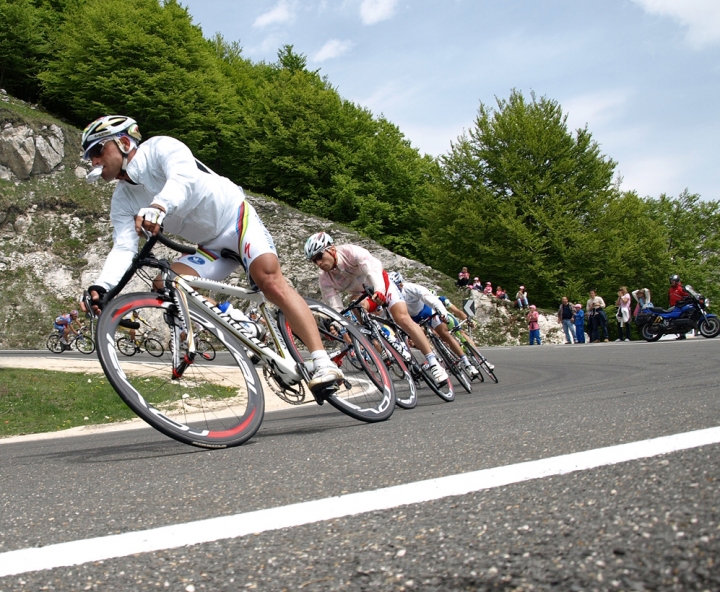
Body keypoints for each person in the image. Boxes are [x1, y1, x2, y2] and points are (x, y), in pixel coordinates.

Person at [80, 114, 343, 398]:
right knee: (167, 283)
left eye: (97, 150)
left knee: (269, 281)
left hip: (237, 219)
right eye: (89, 156)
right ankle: (240, 322)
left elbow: (185, 178)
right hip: (210, 246)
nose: (94, 160)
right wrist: (102, 286)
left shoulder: (160, 148)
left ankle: (323, 363)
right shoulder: (122, 200)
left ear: (123, 142)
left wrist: (158, 205)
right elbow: (123, 247)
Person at [305, 232, 449, 385]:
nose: (318, 263)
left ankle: (434, 363)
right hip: (361, 294)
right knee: (356, 308)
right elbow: (336, 307)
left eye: (319, 256)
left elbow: (371, 272)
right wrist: (337, 323)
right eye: (314, 261)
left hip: (380, 282)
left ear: (331, 249)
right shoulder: (325, 279)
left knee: (402, 319)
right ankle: (380, 338)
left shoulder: (351, 252)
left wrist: (379, 290)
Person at [393, 278, 479, 377]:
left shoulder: (411, 288)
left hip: (426, 310)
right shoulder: (393, 295)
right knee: (415, 339)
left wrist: (442, 312)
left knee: (444, 333)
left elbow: (432, 299)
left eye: (398, 287)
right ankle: (432, 358)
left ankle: (467, 363)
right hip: (411, 317)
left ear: (401, 285)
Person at [668, 274, 690, 339]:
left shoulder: (680, 288)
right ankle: (679, 333)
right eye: (671, 281)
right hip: (673, 307)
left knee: (681, 318)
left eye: (673, 281)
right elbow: (669, 298)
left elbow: (686, 295)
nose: (671, 282)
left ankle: (682, 334)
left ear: (676, 281)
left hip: (680, 307)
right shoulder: (670, 289)